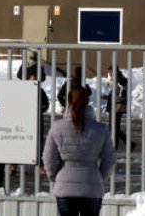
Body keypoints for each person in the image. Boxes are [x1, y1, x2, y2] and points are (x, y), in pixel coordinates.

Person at [41, 86, 115, 216]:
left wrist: (55, 176)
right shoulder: (100, 129)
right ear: (88, 102)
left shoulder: (57, 128)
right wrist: (99, 176)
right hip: (92, 186)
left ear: (68, 102)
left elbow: (48, 159)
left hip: (65, 187)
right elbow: (109, 160)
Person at [106, 65, 128, 148]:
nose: (110, 74)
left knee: (114, 127)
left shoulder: (121, 80)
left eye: (111, 72)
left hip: (118, 106)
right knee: (113, 127)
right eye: (109, 72)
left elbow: (122, 93)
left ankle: (114, 145)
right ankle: (116, 144)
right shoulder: (115, 79)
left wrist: (116, 98)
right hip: (114, 105)